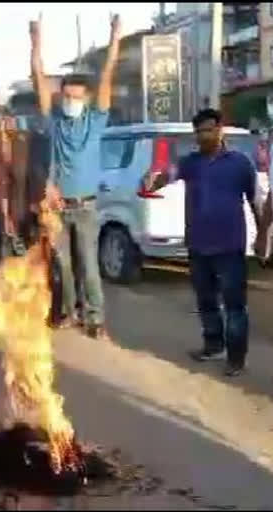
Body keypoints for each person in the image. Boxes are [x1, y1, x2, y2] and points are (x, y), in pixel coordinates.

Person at [142, 109, 257, 377]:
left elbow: (254, 200)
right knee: (206, 302)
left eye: (208, 130)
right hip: (198, 245)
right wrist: (151, 180)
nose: (203, 136)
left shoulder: (240, 163)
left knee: (235, 306)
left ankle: (237, 358)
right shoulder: (189, 163)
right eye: (198, 132)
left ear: (220, 130)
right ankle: (214, 345)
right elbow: (162, 178)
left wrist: (262, 235)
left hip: (230, 246)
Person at [30, 14, 121, 339]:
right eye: (67, 96)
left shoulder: (94, 121)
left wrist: (115, 37)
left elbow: (108, 76)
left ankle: (94, 318)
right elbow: (39, 80)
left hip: (85, 207)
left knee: (90, 266)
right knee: (63, 266)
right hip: (57, 207)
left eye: (77, 97)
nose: (71, 101)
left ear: (85, 99)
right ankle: (68, 312)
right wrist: (36, 43)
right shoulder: (54, 122)